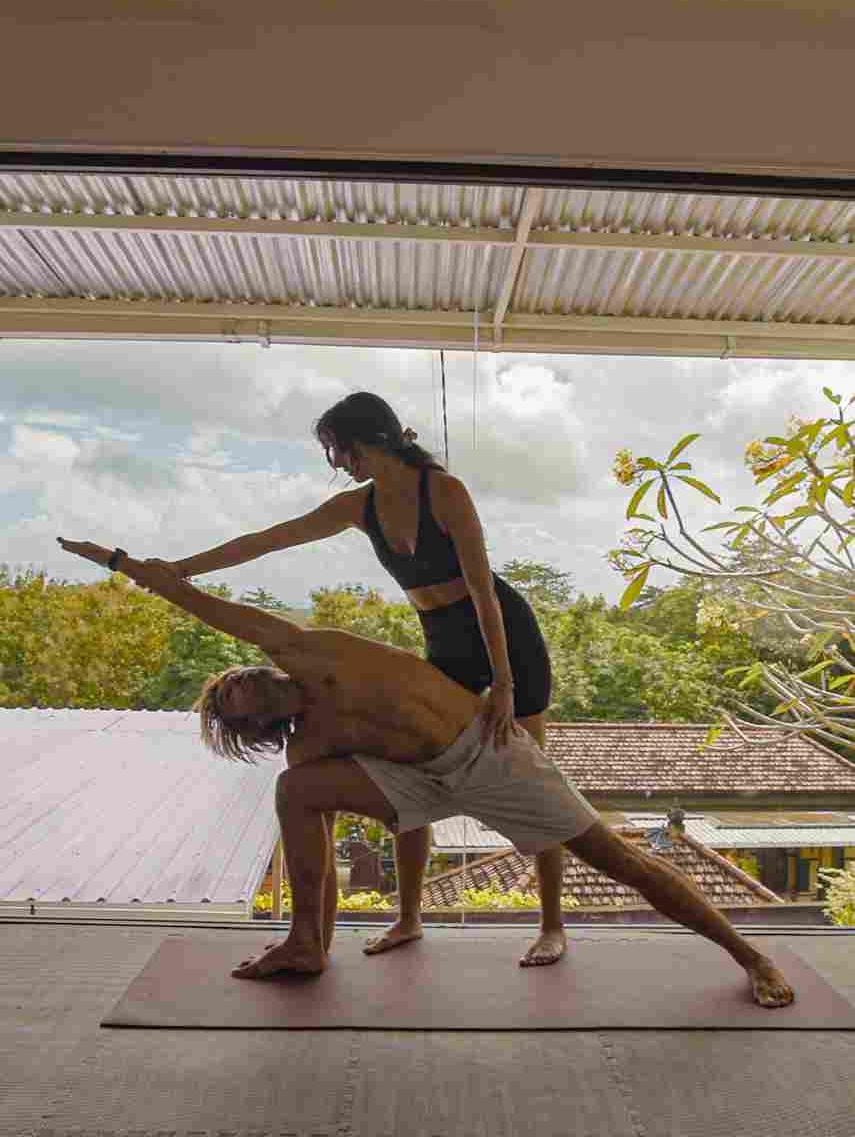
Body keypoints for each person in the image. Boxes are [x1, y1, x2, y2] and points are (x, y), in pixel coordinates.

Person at [56, 535, 795, 1010]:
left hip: (486, 751)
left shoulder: (308, 647)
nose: (240, 691)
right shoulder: (306, 748)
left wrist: (125, 567)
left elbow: (203, 604)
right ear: (252, 724)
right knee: (296, 791)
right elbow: (319, 844)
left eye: (236, 682)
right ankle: (306, 944)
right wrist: (319, 917)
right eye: (232, 705)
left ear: (258, 668)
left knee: (617, 857)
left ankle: (748, 953)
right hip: (419, 779)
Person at [162, 392, 565, 968]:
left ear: (371, 441)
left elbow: (482, 592)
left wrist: (503, 683)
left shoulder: (443, 491)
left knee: (534, 783)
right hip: (444, 642)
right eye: (333, 454)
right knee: (415, 770)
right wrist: (179, 572)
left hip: (506, 639)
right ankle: (408, 918)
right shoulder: (360, 508)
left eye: (339, 451)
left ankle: (552, 926)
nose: (339, 464)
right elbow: (269, 539)